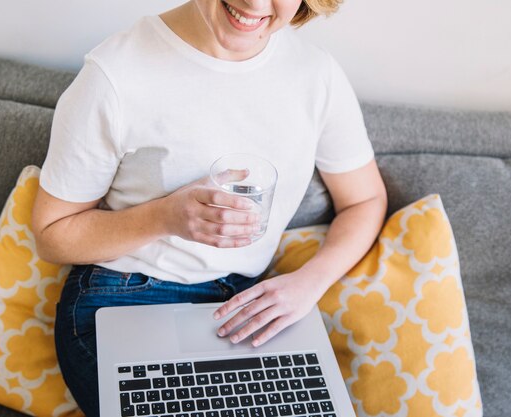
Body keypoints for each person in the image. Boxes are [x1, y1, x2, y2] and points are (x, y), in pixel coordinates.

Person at [31, 0, 387, 415]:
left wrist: (308, 283)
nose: (254, 3)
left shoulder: (316, 75)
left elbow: (364, 200)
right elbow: (51, 235)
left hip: (245, 304)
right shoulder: (115, 73)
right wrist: (165, 216)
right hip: (127, 296)